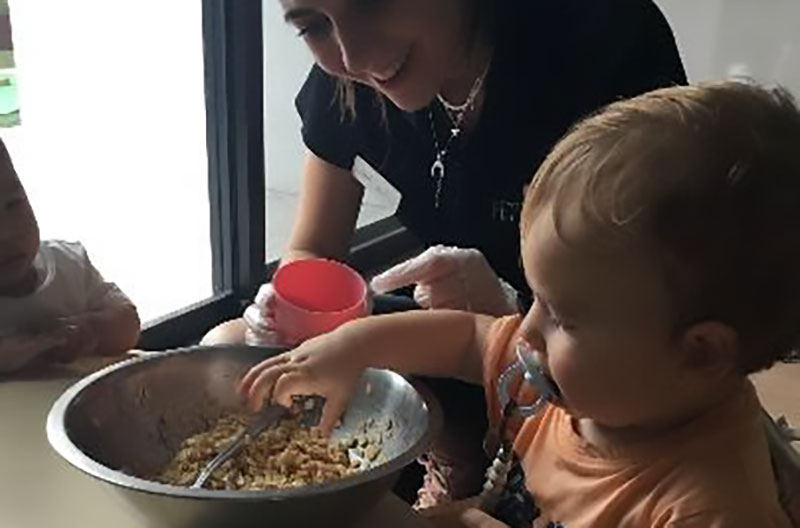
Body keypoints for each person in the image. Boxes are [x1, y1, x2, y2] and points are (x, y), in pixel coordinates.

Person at [203, 0, 685, 503]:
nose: (355, 56)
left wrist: (512, 304)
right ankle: (451, 452)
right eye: (313, 26)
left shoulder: (601, 35)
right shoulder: (342, 85)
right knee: (229, 350)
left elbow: (656, 309)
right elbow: (313, 251)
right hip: (453, 339)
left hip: (574, 355)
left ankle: (468, 460)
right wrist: (284, 308)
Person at [239, 81, 800, 527]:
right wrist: (351, 347)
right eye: (536, 299)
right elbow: (470, 338)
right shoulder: (585, 384)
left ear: (700, 352)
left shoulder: (711, 509)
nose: (526, 328)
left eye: (564, 317)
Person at [0, 138, 140, 374]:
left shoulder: (69, 265)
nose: (5, 233)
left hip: (86, 406)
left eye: (13, 205)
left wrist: (93, 330)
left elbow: (128, 323)